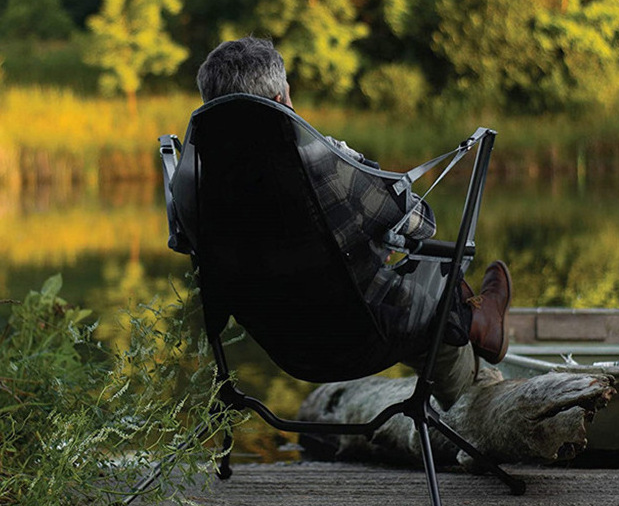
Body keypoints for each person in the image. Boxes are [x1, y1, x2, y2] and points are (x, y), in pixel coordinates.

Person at [173, 36, 512, 409]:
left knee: (390, 294)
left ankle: (478, 321)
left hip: (284, 346)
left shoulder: (191, 187)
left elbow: (188, 248)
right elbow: (421, 225)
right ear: (279, 102)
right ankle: (472, 375)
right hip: (361, 336)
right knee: (435, 309)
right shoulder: (326, 160)